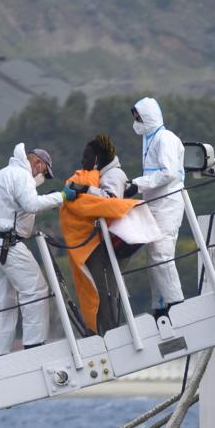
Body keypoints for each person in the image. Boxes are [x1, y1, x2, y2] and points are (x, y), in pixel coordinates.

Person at [0, 143, 79, 356]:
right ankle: (34, 346)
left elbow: (18, 211)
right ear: (37, 163)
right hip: (8, 243)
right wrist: (62, 197)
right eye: (43, 172)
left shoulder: (2, 174)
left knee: (2, 299)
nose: (41, 177)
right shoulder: (22, 175)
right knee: (36, 290)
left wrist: (51, 201)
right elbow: (31, 205)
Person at [61, 135, 139, 334]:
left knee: (103, 287)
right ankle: (104, 327)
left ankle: (108, 330)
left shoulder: (113, 175)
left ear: (97, 158)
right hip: (104, 241)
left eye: (86, 157)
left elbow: (110, 202)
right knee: (102, 285)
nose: (83, 162)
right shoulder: (106, 174)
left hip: (113, 242)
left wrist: (85, 189)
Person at [127, 97, 186, 314]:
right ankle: (160, 307)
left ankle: (176, 305)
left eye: (139, 118)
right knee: (153, 256)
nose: (136, 123)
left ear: (149, 117)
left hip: (168, 204)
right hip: (154, 204)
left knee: (162, 254)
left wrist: (137, 184)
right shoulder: (150, 139)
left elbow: (169, 173)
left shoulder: (165, 139)